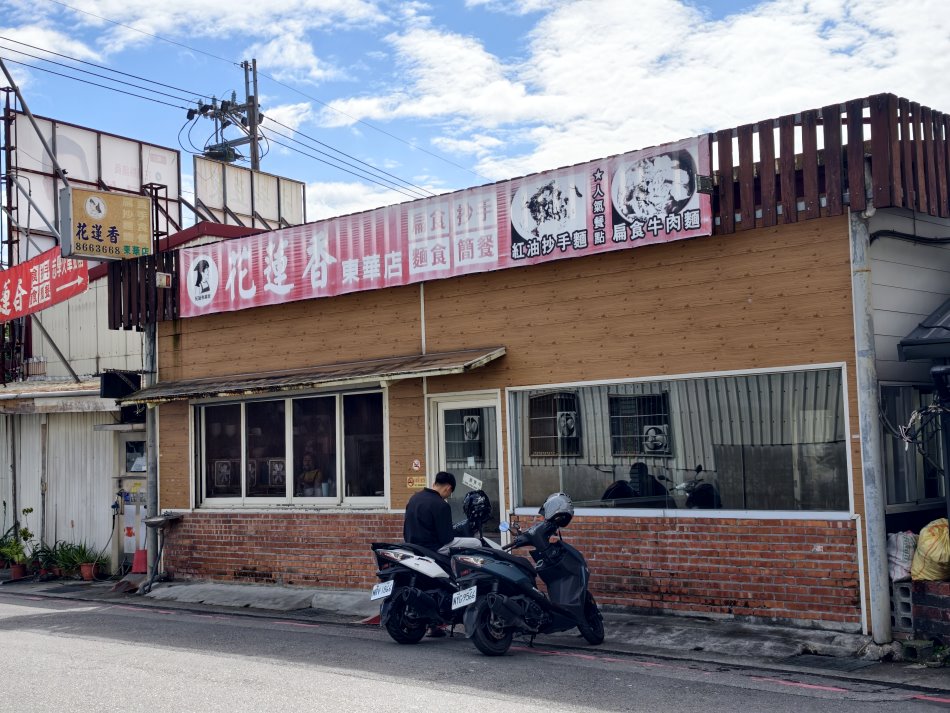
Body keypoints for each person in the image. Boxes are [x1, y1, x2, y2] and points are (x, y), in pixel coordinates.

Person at [403, 471, 481, 637]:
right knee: (477, 543)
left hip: (414, 547)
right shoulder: (441, 505)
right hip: (435, 548)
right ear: (448, 488)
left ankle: (434, 625)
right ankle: (468, 582)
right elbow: (447, 538)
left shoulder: (414, 498)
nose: (448, 497)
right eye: (449, 493)